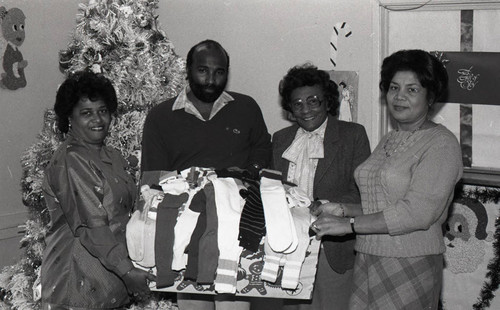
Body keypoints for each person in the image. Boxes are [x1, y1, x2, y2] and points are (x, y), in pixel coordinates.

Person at [311, 49, 463, 309]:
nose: (399, 96)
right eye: (394, 87)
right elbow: (384, 204)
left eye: (412, 90)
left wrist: (348, 224)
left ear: (431, 96)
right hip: (368, 256)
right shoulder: (389, 139)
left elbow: (416, 213)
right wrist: (342, 209)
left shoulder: (442, 144)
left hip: (410, 262)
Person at [141, 39, 272, 310]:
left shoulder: (247, 108)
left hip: (236, 227)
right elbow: (152, 179)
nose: (211, 79)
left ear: (227, 71)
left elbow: (262, 160)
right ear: (188, 70)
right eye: (203, 70)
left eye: (219, 71)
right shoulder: (161, 116)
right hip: (184, 228)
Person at [41, 70, 155, 309]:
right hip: (78, 283)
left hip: (111, 279)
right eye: (86, 113)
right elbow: (93, 226)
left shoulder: (111, 155)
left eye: (102, 111)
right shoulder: (72, 159)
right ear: (69, 117)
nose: (97, 119)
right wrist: (126, 271)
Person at [271, 63, 371, 309]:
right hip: (286, 245)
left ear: (327, 101)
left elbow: (361, 191)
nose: (305, 110)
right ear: (290, 108)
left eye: (313, 101)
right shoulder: (280, 139)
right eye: (297, 103)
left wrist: (327, 205)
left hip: (331, 246)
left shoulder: (353, 135)